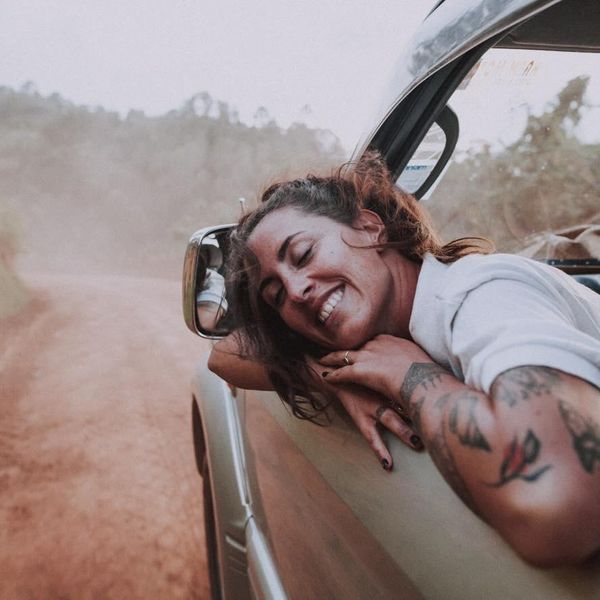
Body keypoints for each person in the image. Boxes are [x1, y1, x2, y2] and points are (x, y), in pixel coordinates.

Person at [208, 152, 600, 567]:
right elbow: (222, 354)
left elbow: (561, 508)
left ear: (369, 227)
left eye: (303, 254)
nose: (297, 290)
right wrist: (336, 377)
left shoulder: (480, 293)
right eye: (277, 295)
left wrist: (412, 378)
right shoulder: (397, 330)